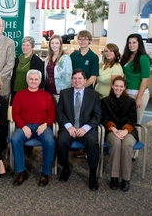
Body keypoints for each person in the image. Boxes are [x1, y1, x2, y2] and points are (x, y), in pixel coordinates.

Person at [56, 69, 101, 191]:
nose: (77, 81)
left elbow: (97, 116)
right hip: (69, 127)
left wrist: (85, 128)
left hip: (86, 128)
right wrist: (68, 126)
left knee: (93, 143)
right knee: (61, 142)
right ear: (72, 81)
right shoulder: (64, 93)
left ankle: (92, 174)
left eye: (80, 78)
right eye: (74, 78)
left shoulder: (93, 95)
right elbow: (59, 112)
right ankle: (65, 168)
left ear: (85, 80)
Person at [11, 69, 56, 187]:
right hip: (25, 125)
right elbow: (15, 114)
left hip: (42, 126)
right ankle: (21, 172)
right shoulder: (19, 95)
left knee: (50, 141)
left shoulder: (46, 95)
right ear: (27, 80)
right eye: (31, 79)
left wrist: (45, 124)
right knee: (15, 139)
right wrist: (23, 126)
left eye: (36, 79)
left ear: (40, 81)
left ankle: (45, 173)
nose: (33, 81)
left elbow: (52, 114)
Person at [101, 76, 138, 192]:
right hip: (113, 130)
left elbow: (133, 120)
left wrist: (126, 130)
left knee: (127, 145)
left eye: (121, 86)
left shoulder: (131, 102)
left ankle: (126, 179)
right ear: (112, 86)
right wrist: (113, 129)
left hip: (128, 131)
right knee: (116, 144)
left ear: (124, 88)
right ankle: (114, 177)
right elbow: (104, 118)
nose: (118, 88)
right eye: (116, 85)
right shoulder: (105, 101)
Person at [70, 30, 99, 158]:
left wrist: (81, 88)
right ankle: (75, 142)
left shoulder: (93, 57)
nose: (82, 41)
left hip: (87, 93)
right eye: (80, 39)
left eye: (85, 39)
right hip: (74, 91)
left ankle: (86, 146)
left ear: (89, 41)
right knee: (75, 116)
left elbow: (93, 77)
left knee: (85, 118)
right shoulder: (73, 55)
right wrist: (75, 87)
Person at [120, 33, 151, 125]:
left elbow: (145, 80)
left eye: (134, 42)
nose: (131, 45)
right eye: (129, 43)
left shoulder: (143, 58)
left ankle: (136, 139)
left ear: (139, 43)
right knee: (125, 121)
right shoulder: (127, 56)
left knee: (136, 122)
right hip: (126, 93)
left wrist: (138, 98)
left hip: (138, 94)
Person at [11, 36, 44, 104]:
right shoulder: (17, 60)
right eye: (23, 45)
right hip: (15, 92)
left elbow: (41, 80)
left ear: (32, 46)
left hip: (29, 93)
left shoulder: (37, 61)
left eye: (27, 45)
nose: (25, 47)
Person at [44, 34, 72, 103]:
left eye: (57, 43)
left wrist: (66, 92)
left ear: (60, 45)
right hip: (48, 91)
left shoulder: (65, 58)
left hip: (60, 92)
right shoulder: (48, 58)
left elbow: (68, 76)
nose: (54, 45)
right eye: (52, 43)